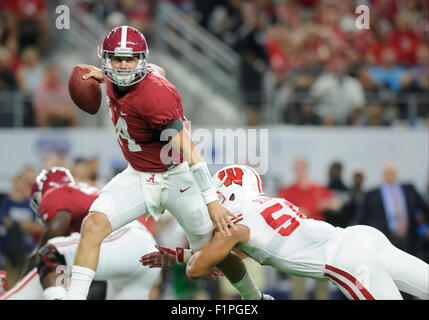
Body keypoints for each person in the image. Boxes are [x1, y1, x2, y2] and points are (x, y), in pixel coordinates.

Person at [68, 25, 269, 301]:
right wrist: (104, 76)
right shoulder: (118, 76)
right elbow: (155, 70)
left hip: (177, 177)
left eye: (131, 59)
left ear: (142, 60)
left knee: (213, 251)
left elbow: (191, 151)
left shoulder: (154, 95)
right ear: (106, 59)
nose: (124, 66)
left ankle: (256, 299)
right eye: (117, 59)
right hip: (138, 174)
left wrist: (211, 201)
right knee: (93, 226)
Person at [142, 165, 429, 300]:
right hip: (362, 237)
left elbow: (198, 268)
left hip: (348, 261)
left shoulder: (235, 225)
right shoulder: (272, 202)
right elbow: (244, 248)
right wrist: (191, 252)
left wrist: (186, 255)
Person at [0, 166, 160, 300]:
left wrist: (17, 288)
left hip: (125, 240)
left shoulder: (56, 193)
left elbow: (48, 246)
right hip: (137, 250)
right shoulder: (84, 192)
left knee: (50, 254)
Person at [276, 157, 340, 299]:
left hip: (319, 241)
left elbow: (336, 204)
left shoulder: (318, 188)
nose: (300, 171)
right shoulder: (289, 190)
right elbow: (277, 210)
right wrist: (295, 211)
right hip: (298, 241)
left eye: (302, 167)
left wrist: (326, 204)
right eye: (297, 168)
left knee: (322, 279)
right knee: (298, 282)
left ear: (306, 169)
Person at [356, 161, 429, 257]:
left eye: (392, 172)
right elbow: (361, 218)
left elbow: (425, 209)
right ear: (383, 174)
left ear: (396, 173)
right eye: (387, 172)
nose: (390, 175)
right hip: (384, 238)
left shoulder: (409, 189)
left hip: (409, 237)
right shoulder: (372, 194)